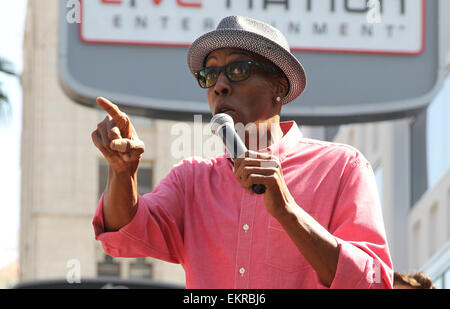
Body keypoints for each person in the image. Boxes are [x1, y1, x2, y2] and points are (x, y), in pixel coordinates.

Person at [91, 16, 393, 289]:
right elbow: (122, 238)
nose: (219, 85)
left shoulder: (340, 167)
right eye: (209, 75)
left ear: (278, 87)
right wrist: (122, 174)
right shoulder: (191, 180)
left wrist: (289, 214)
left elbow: (374, 283)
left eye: (237, 70)